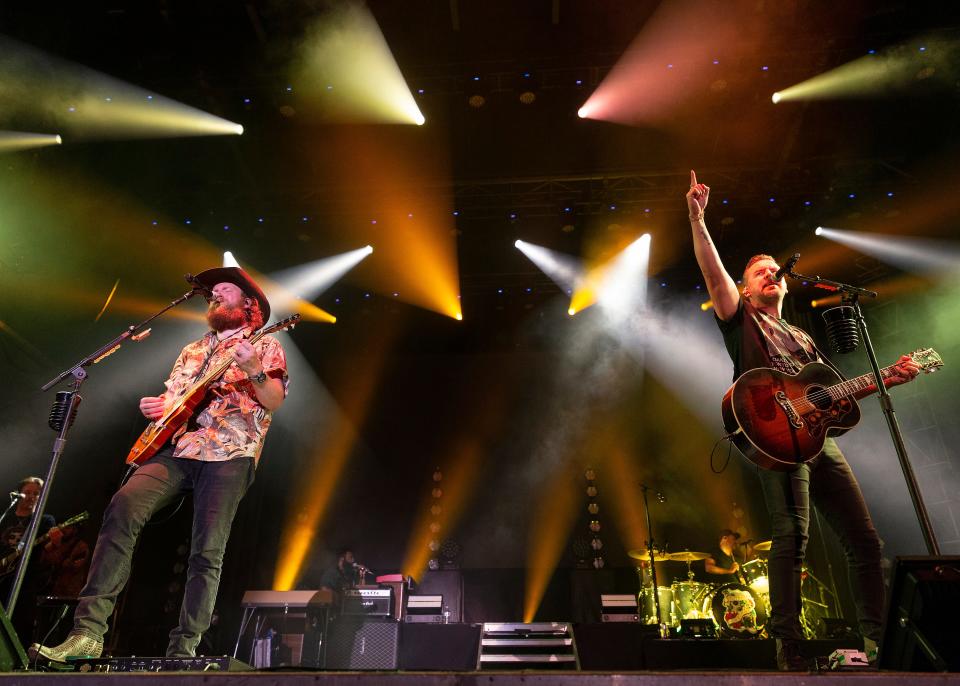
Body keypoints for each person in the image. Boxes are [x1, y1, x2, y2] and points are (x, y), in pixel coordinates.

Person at [685, 170, 920, 670]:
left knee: (865, 540)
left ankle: (877, 646)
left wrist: (886, 379)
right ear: (745, 292)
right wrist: (697, 220)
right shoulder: (742, 318)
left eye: (776, 271)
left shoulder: (804, 339)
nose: (772, 275)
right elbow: (712, 276)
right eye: (761, 272)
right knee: (793, 532)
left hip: (817, 442)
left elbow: (832, 404)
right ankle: (787, 646)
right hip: (776, 435)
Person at [32, 266, 288, 662]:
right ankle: (87, 633)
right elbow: (176, 401)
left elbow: (272, 400)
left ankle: (183, 650)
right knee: (122, 506)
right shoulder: (192, 350)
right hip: (178, 449)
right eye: (213, 292)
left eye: (225, 291)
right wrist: (161, 407)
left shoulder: (265, 344)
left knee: (207, 551)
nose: (216, 296)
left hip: (229, 454)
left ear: (248, 304)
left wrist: (253, 368)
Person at [0, 477, 60, 643]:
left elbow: (48, 553)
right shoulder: (5, 518)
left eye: (37, 493)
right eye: (28, 492)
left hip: (25, 580)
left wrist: (55, 542)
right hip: (1, 576)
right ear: (19, 494)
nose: (32, 496)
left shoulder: (45, 520)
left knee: (19, 623)